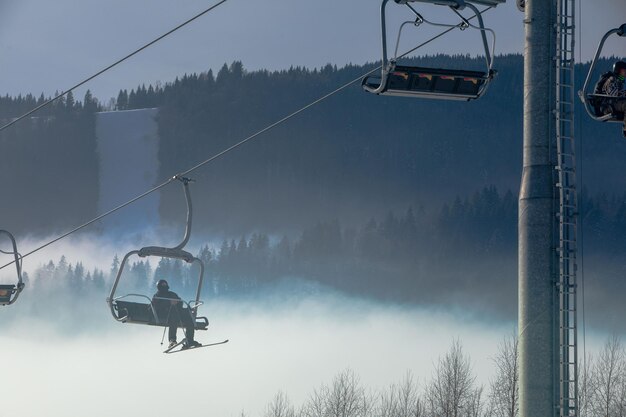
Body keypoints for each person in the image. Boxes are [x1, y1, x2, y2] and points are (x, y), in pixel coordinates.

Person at [152, 279, 201, 349]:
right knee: (173, 315)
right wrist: (169, 303)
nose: (164, 286)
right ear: (159, 286)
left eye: (165, 284)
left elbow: (180, 302)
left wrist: (178, 303)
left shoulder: (172, 294)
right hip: (164, 314)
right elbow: (155, 306)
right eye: (163, 285)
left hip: (176, 312)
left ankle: (190, 340)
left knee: (188, 316)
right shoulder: (157, 295)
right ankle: (172, 340)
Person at [597, 60, 626, 137]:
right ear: (618, 70)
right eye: (623, 71)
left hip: (613, 103)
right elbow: (613, 93)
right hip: (607, 105)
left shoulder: (619, 81)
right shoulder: (612, 79)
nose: (625, 74)